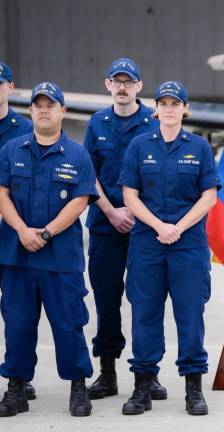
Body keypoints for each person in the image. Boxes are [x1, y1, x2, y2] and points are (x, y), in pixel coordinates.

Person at [119, 81, 219, 416]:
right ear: (156, 109)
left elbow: (209, 195)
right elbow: (129, 195)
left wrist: (179, 226)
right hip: (148, 243)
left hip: (188, 244)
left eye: (175, 104)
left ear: (185, 108)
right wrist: (160, 226)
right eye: (163, 103)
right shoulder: (138, 146)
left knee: (190, 314)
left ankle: (193, 387)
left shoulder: (200, 147)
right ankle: (143, 386)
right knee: (144, 314)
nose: (169, 109)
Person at [0, 82, 98, 417]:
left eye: (50, 104)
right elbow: (2, 195)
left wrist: (43, 233)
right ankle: (16, 388)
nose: (44, 109)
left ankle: (78, 387)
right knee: (17, 323)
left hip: (60, 259)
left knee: (69, 323)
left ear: (62, 111)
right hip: (17, 255)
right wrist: (22, 231)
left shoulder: (77, 154)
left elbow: (80, 200)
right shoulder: (11, 150)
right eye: (38, 105)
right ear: (30, 111)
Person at [83, 58, 166, 401]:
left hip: (143, 229)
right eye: (116, 81)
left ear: (138, 86)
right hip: (105, 225)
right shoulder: (96, 123)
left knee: (147, 301)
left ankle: (148, 374)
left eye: (128, 82)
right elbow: (89, 173)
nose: (122, 87)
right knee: (106, 300)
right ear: (107, 85)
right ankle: (107, 373)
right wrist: (110, 210)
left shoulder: (153, 121)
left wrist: (134, 213)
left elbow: (160, 174)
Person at [0, 61, 35, 402]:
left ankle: (18, 376)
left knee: (15, 310)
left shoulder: (25, 130)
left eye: (0, 83)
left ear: (10, 87)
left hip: (11, 234)